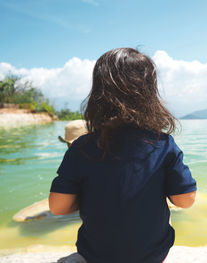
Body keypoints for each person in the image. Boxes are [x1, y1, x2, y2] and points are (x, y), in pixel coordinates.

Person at [49, 48, 197, 263]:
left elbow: (57, 207)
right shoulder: (163, 145)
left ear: (98, 94)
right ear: (150, 93)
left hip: (97, 256)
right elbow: (185, 201)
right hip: (151, 256)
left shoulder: (81, 147)